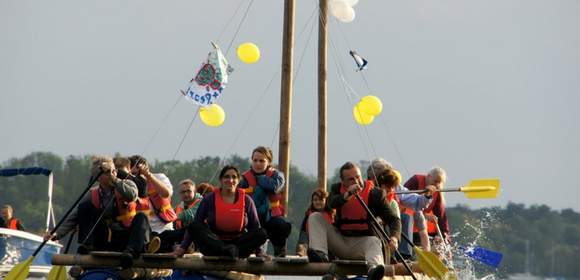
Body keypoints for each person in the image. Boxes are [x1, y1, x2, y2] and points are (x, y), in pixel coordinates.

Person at [44, 156, 151, 266]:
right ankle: (88, 246)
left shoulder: (127, 183)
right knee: (85, 207)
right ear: (98, 177)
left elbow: (132, 195)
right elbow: (75, 216)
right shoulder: (93, 194)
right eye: (108, 172)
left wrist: (114, 179)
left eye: (114, 170)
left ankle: (131, 252)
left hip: (127, 237)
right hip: (108, 239)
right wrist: (57, 233)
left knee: (141, 217)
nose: (114, 172)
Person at [307, 162, 401, 280]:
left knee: (374, 241)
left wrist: (394, 238)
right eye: (351, 179)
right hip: (341, 240)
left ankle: (374, 270)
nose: (356, 181)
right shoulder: (337, 189)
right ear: (343, 182)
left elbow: (394, 220)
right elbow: (331, 203)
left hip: (363, 244)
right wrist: (347, 195)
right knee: (315, 216)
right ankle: (320, 254)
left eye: (358, 177)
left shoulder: (376, 193)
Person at [175, 165, 267, 258]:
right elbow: (196, 224)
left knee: (262, 233)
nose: (230, 180)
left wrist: (259, 251)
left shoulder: (246, 200)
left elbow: (255, 226)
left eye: (234, 177)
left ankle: (230, 251)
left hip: (239, 245)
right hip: (215, 244)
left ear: (238, 180)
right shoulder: (209, 198)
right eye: (226, 177)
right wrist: (183, 248)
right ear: (221, 180)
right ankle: (227, 250)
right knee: (194, 226)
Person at [367, 158, 435, 259]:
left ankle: (403, 256)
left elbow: (417, 202)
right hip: (371, 227)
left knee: (405, 217)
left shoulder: (395, 187)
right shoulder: (366, 188)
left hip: (391, 226)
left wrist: (427, 195)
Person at [239, 146, 291, 257]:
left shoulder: (278, 176)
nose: (258, 164)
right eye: (255, 160)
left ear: (269, 162)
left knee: (282, 225)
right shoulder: (244, 179)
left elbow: (274, 187)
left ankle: (279, 249)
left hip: (272, 217)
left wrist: (260, 178)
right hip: (253, 217)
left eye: (262, 161)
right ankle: (255, 251)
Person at [129, 155, 180, 253]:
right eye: (133, 174)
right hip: (144, 232)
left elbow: (166, 194)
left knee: (179, 234)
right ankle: (149, 247)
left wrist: (148, 176)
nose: (136, 177)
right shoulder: (129, 185)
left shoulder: (160, 177)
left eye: (138, 173)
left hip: (163, 229)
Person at [404, 167, 449, 243]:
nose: (436, 185)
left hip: (422, 226)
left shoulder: (437, 191)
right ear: (428, 176)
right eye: (435, 181)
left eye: (439, 183)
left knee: (439, 235)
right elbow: (402, 201)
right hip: (407, 222)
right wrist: (425, 216)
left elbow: (441, 217)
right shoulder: (415, 181)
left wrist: (445, 238)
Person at [296, 189, 334, 257]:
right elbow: (303, 231)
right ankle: (302, 251)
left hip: (328, 243)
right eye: (315, 200)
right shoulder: (308, 215)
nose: (318, 202)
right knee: (304, 234)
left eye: (321, 200)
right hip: (311, 242)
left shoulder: (332, 215)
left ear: (326, 201)